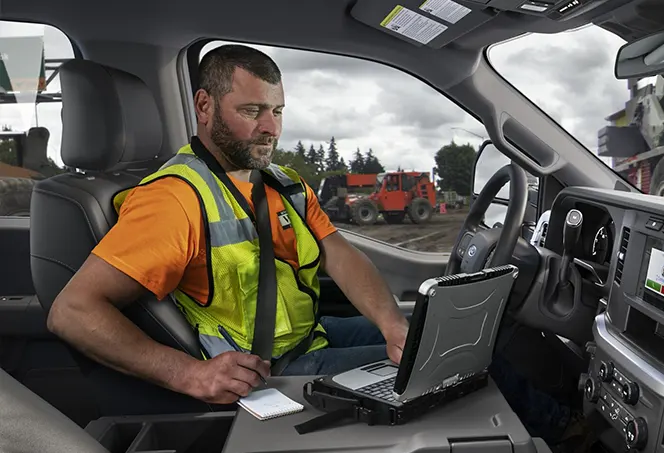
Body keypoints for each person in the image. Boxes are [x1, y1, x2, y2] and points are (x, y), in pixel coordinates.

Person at [47, 44, 409, 410]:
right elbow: (73, 311)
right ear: (204, 106)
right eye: (252, 111)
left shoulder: (286, 185)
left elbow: (341, 256)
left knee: (423, 340)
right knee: (423, 371)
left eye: (277, 111)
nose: (271, 128)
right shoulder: (174, 198)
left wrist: (391, 323)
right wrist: (188, 374)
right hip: (271, 374)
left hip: (311, 335)